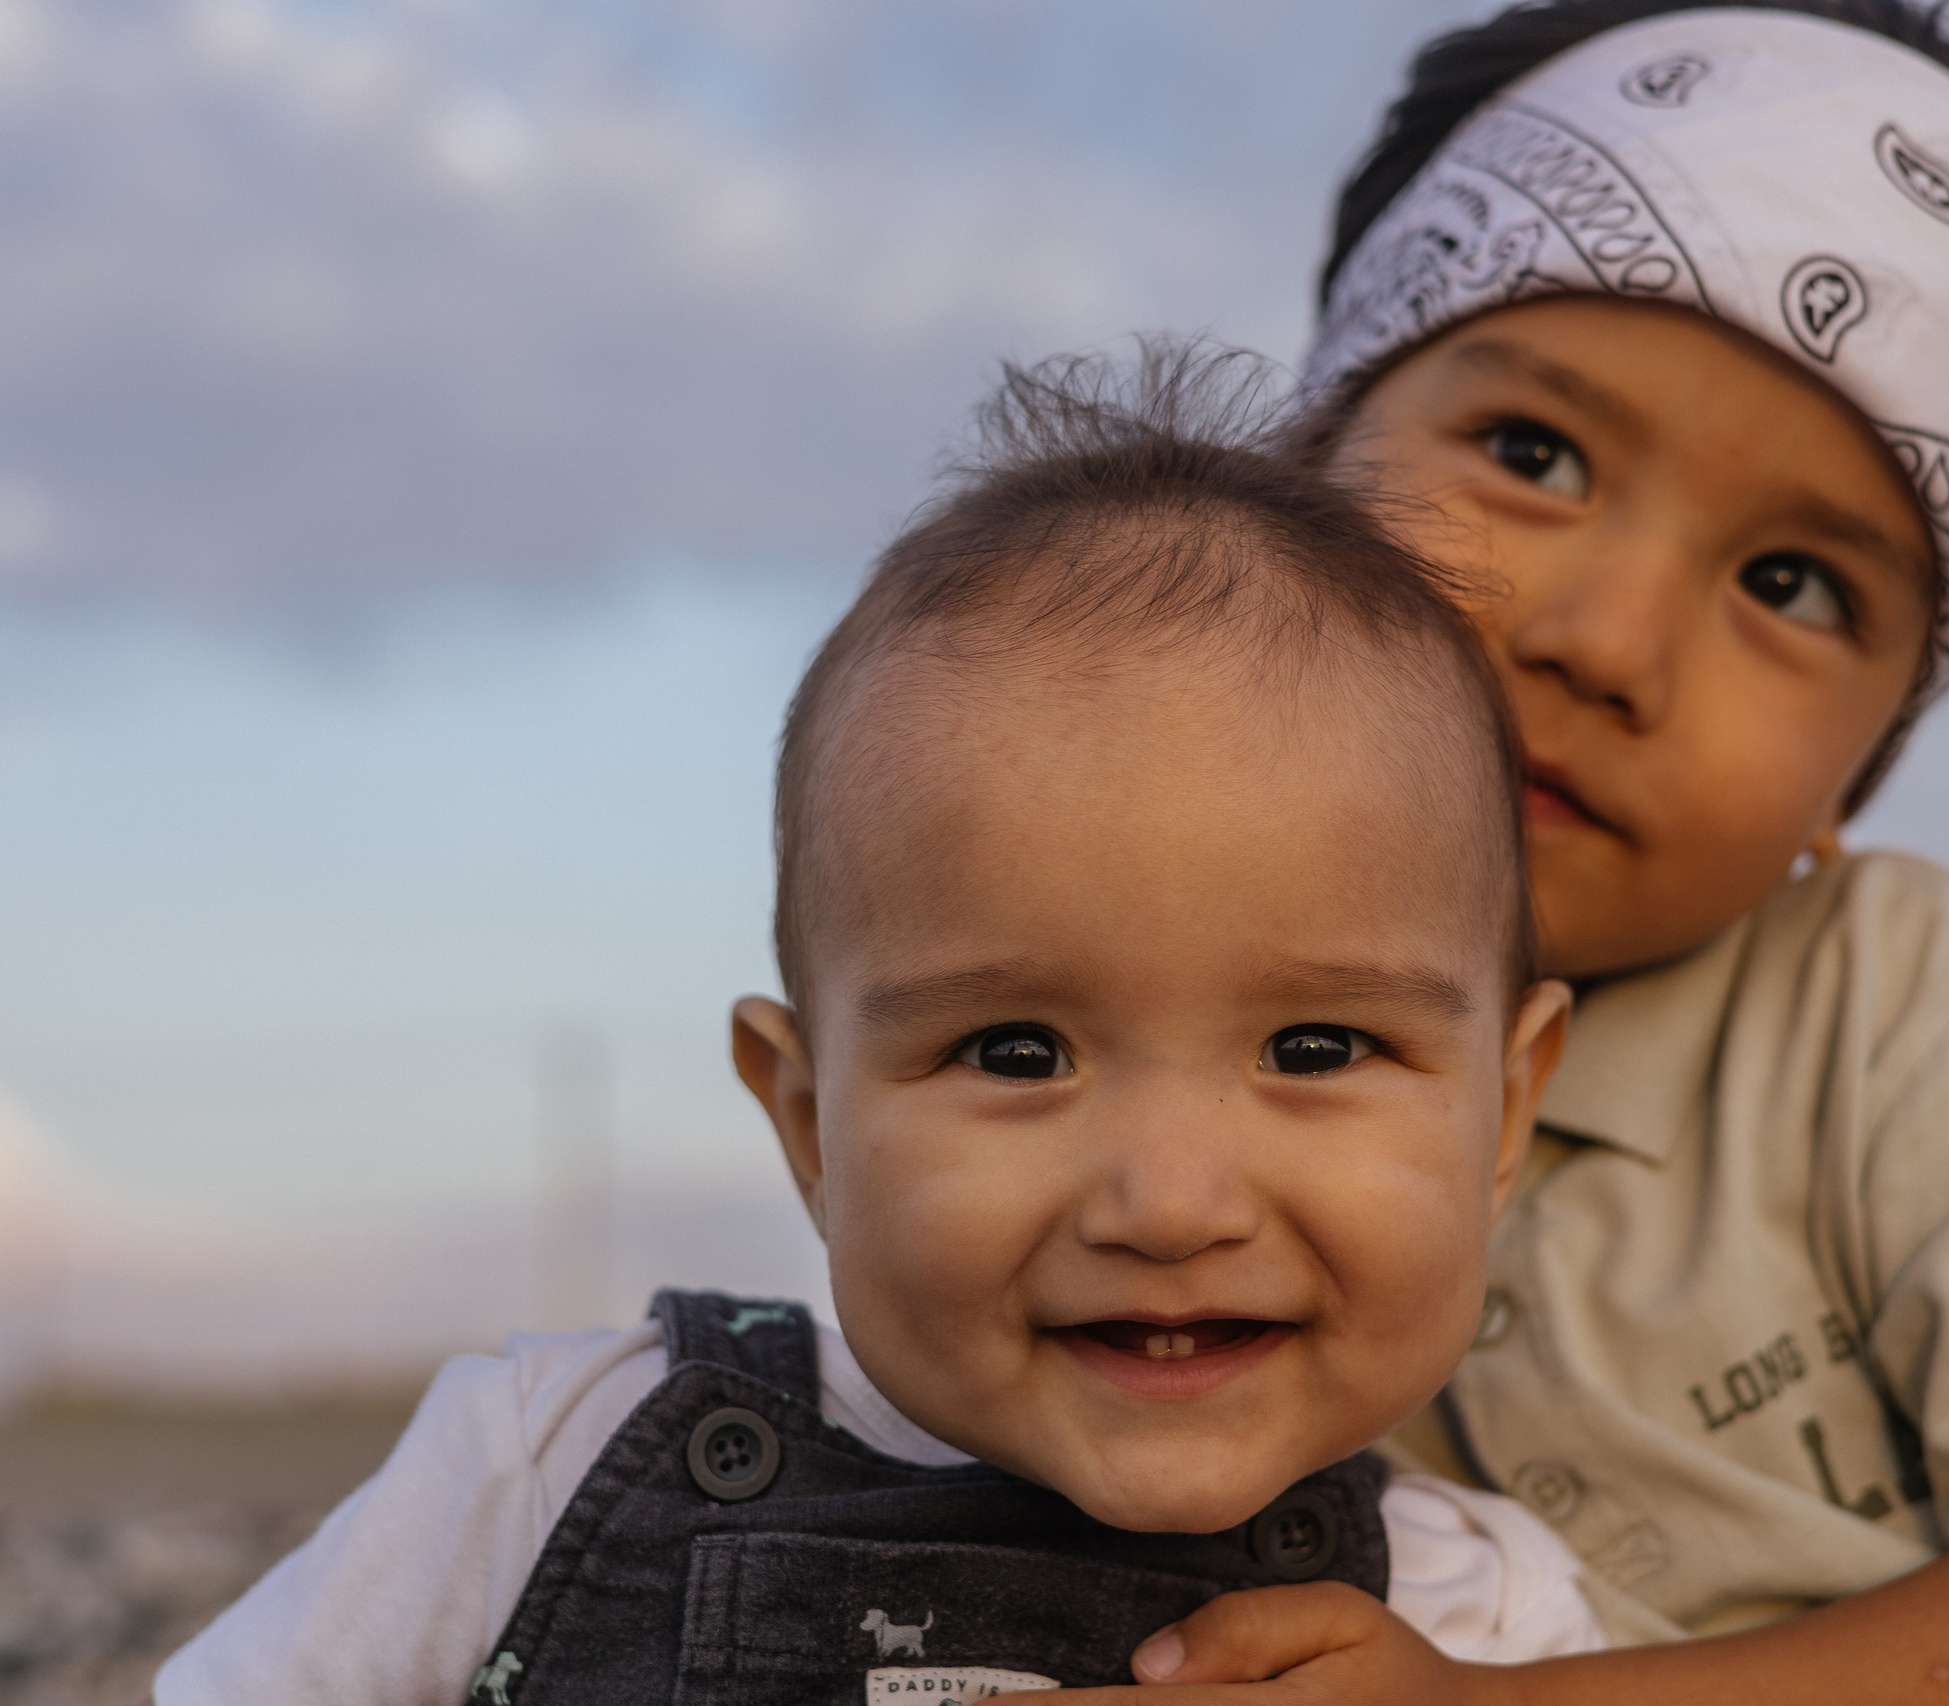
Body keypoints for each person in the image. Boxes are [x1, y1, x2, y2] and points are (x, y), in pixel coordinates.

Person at [1087, 6, 1949, 1704]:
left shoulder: (1904, 1010)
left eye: (1791, 585)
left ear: (1857, 774)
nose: (1611, 643)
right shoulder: (1125, 1046)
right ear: (1299, 478)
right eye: (1533, 454)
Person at [150, 348, 1618, 1704]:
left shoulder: (1483, 1630)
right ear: (810, 1124)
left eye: (1315, 1049)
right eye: (1018, 1053)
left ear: (1502, 1114)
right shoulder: (547, 1462)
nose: (1170, 1205)